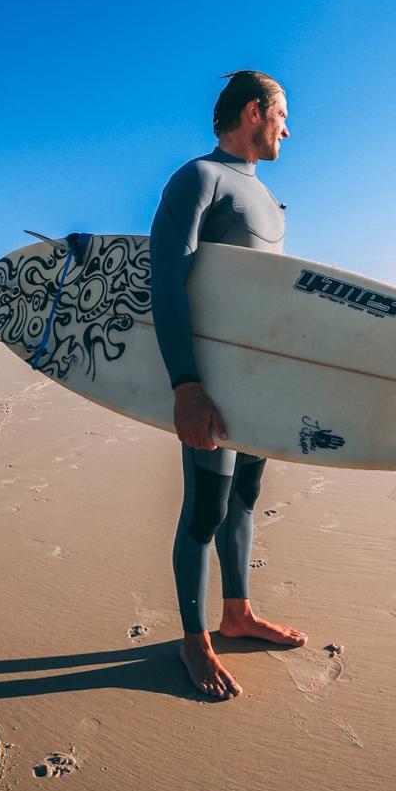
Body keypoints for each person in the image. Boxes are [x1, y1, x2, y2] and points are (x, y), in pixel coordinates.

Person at [150, 71, 307, 700]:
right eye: (282, 115)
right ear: (254, 112)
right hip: (209, 384)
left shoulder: (268, 200)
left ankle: (237, 613)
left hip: (259, 383)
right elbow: (167, 282)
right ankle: (194, 640)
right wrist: (186, 384)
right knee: (206, 509)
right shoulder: (200, 178)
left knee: (244, 498)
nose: (287, 129)